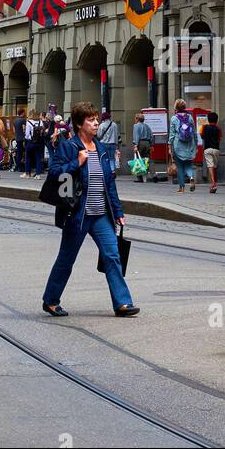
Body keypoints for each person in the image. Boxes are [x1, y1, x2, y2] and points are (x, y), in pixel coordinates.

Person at [42, 101, 138, 319]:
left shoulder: (101, 148)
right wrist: (77, 162)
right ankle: (51, 300)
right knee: (67, 258)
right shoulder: (69, 147)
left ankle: (123, 303)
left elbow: (109, 184)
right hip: (77, 214)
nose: (96, 123)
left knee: (112, 255)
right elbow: (55, 174)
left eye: (96, 119)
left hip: (101, 214)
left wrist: (118, 211)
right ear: (78, 124)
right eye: (91, 120)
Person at [168, 99, 197, 193]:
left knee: (180, 166)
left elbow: (172, 134)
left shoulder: (174, 118)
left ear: (176, 107)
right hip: (189, 144)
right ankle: (191, 177)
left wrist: (169, 145)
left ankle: (181, 187)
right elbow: (194, 132)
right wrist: (195, 144)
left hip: (178, 145)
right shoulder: (190, 117)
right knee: (188, 164)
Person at [200, 111, 221, 193]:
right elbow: (219, 138)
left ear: (208, 120)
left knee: (210, 166)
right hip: (216, 149)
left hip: (207, 149)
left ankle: (213, 183)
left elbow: (202, 136)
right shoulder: (218, 128)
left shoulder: (204, 127)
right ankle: (214, 183)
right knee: (214, 167)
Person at [131, 113, 152, 183]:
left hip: (140, 143)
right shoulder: (147, 126)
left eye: (135, 118)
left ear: (137, 119)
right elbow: (151, 135)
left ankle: (140, 177)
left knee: (138, 160)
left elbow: (136, 136)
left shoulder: (136, 126)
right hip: (147, 143)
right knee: (147, 159)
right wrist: (151, 145)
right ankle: (150, 175)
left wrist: (135, 145)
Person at [22, 109, 43, 179]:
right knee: (38, 158)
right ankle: (38, 174)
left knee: (28, 157)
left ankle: (27, 173)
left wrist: (27, 138)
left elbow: (27, 134)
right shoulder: (41, 122)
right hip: (39, 142)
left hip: (31, 142)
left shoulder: (29, 122)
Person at [13, 108, 26, 174]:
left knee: (18, 152)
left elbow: (14, 130)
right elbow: (24, 129)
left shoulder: (15, 120)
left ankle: (18, 166)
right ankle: (21, 167)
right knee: (23, 153)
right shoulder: (23, 120)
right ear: (22, 113)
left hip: (17, 138)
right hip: (22, 138)